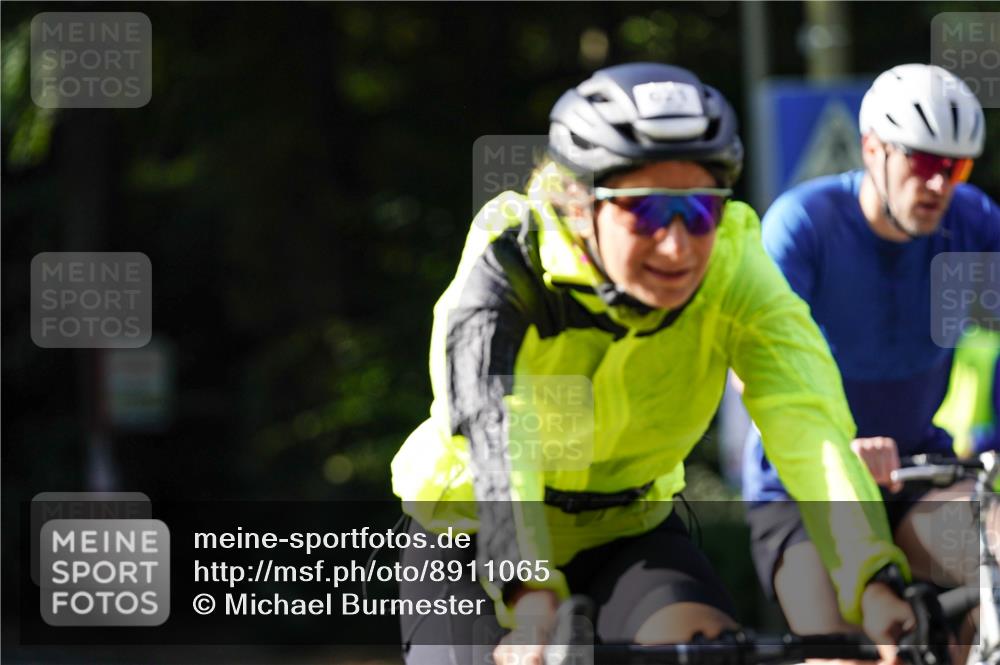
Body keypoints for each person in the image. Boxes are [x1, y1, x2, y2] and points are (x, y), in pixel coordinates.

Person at [391, 62, 914, 665]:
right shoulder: (509, 265)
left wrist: (872, 579)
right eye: (645, 211)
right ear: (582, 204)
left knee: (707, 650)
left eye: (700, 211)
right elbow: (492, 433)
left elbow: (809, 424)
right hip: (472, 535)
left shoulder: (734, 270)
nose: (677, 245)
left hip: (628, 530)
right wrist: (530, 595)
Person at [742, 64, 1000, 641]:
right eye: (924, 162)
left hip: (915, 469)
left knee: (993, 589)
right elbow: (752, 369)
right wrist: (829, 442)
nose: (940, 185)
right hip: (804, 484)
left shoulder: (972, 220)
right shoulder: (803, 222)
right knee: (848, 651)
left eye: (955, 167)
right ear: (872, 149)